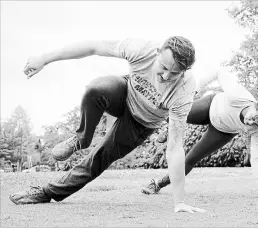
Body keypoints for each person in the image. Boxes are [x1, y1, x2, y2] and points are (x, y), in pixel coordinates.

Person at [9, 37, 206, 213]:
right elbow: (94, 46)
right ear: (157, 53)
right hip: (125, 94)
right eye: (163, 67)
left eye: (174, 73)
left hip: (141, 124)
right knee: (97, 89)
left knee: (99, 158)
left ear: (184, 72)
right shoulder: (141, 49)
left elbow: (175, 147)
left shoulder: (183, 91)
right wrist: (44, 58)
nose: (165, 77)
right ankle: (81, 138)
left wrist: (179, 201)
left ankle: (47, 192)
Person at [141, 67, 258, 201]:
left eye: (256, 124)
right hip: (210, 106)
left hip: (222, 131)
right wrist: (194, 91)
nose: (250, 123)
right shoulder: (238, 95)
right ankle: (170, 128)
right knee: (174, 112)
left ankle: (157, 184)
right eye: (253, 118)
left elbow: (256, 158)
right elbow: (218, 72)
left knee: (191, 159)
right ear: (255, 105)